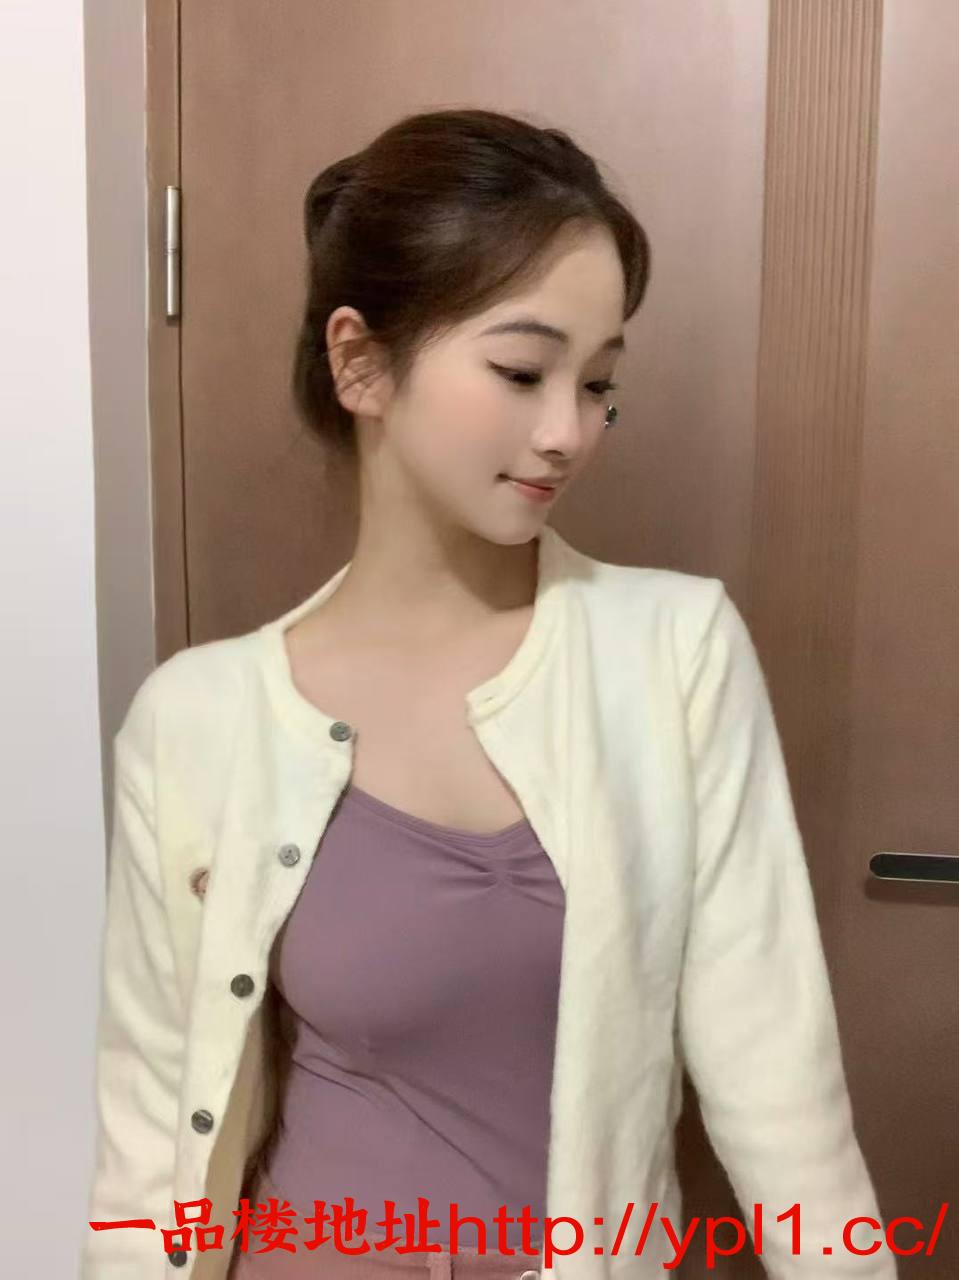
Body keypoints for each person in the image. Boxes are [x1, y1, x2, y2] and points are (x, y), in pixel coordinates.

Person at [82, 109, 895, 1280]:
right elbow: (149, 1117)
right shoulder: (195, 719)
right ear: (361, 362)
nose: (566, 431)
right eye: (520, 371)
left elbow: (779, 1082)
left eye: (598, 382)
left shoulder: (671, 652)